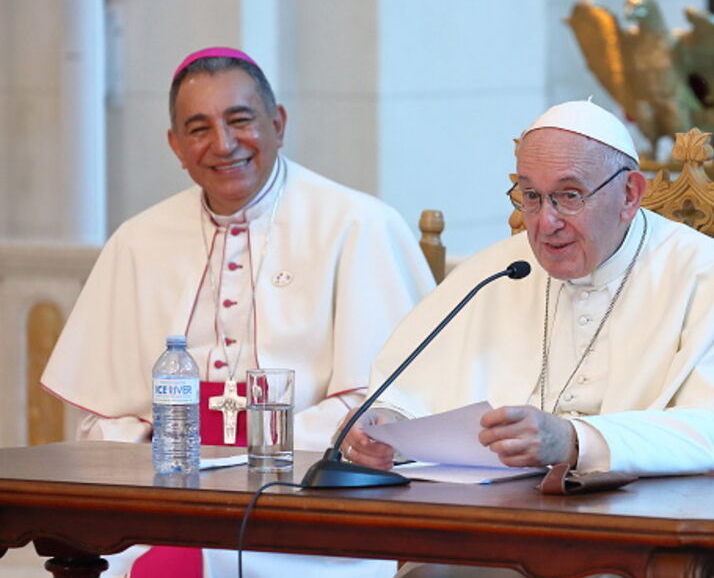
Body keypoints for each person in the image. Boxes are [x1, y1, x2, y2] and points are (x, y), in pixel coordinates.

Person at [344, 100, 714, 578]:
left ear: (630, 194)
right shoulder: (498, 270)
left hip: (653, 539)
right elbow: (405, 395)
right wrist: (387, 428)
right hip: (498, 531)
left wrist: (572, 441)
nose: (545, 223)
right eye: (531, 196)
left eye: (569, 196)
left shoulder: (706, 274)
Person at [41, 47, 435, 578]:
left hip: (313, 505)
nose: (224, 144)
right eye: (199, 128)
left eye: (240, 120)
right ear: (176, 146)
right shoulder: (137, 241)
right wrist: (172, 453)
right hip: (167, 503)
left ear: (278, 123)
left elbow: (388, 405)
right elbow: (101, 418)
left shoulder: (359, 225)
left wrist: (247, 451)